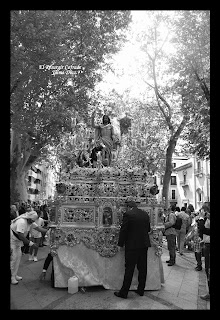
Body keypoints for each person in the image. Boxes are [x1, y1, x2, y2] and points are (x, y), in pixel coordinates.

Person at [114, 200, 151, 299]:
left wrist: (120, 244)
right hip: (144, 245)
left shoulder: (128, 214)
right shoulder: (145, 214)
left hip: (132, 246)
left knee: (129, 269)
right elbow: (148, 229)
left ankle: (124, 292)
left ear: (128, 207)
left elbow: (124, 230)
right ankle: (141, 290)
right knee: (143, 268)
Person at [10, 211, 47, 285]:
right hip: (12, 241)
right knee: (13, 259)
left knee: (18, 257)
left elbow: (39, 229)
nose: (33, 222)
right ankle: (12, 277)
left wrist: (49, 230)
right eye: (32, 220)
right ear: (29, 219)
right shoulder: (22, 222)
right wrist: (31, 244)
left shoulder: (30, 222)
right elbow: (21, 236)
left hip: (17, 242)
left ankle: (14, 275)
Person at [199, 205, 210, 301]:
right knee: (207, 269)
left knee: (208, 269)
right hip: (207, 245)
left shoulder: (206, 219)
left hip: (209, 247)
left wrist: (201, 218)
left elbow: (203, 229)